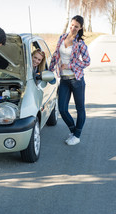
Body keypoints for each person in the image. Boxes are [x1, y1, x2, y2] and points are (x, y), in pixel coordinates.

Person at [49, 15, 90, 145]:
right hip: (64, 80)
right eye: (72, 25)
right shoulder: (62, 38)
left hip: (77, 80)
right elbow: (56, 54)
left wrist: (70, 66)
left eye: (76, 26)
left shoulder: (80, 43)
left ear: (80, 28)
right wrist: (49, 71)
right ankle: (73, 131)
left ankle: (77, 136)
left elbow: (87, 62)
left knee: (80, 109)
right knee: (62, 108)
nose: (73, 28)